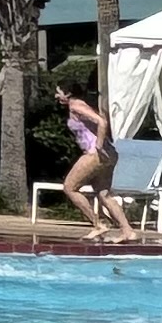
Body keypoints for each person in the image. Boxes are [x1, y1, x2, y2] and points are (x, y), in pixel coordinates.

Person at [57, 84, 123, 241]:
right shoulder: (83, 105)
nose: (56, 96)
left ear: (68, 93)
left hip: (95, 154)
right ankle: (127, 230)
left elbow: (102, 122)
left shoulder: (75, 105)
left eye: (58, 92)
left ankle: (98, 224)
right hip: (109, 154)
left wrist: (98, 145)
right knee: (104, 194)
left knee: (70, 188)